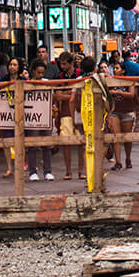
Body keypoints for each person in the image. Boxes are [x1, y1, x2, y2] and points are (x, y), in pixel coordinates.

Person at [25, 55, 54, 181]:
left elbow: (52, 98)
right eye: (38, 72)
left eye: (43, 72)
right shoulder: (27, 84)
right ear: (33, 71)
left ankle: (47, 170)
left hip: (45, 116)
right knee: (32, 145)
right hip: (32, 118)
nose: (41, 75)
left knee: (46, 145)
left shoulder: (47, 83)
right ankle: (32, 171)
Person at [49, 50, 77, 180]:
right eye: (61, 64)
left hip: (78, 110)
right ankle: (68, 170)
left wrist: (66, 95)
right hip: (65, 111)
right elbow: (57, 95)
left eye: (65, 64)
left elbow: (75, 95)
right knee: (66, 142)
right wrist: (71, 95)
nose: (62, 66)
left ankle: (81, 171)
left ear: (71, 63)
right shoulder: (60, 76)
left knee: (81, 143)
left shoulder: (79, 74)